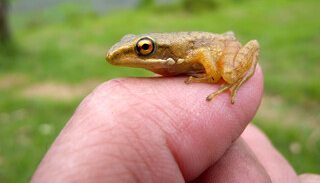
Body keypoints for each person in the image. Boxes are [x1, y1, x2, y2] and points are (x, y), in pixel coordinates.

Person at [31, 66, 319, 182]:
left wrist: (212, 76)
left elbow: (205, 56)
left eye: (143, 48)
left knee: (229, 72)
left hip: (219, 51)